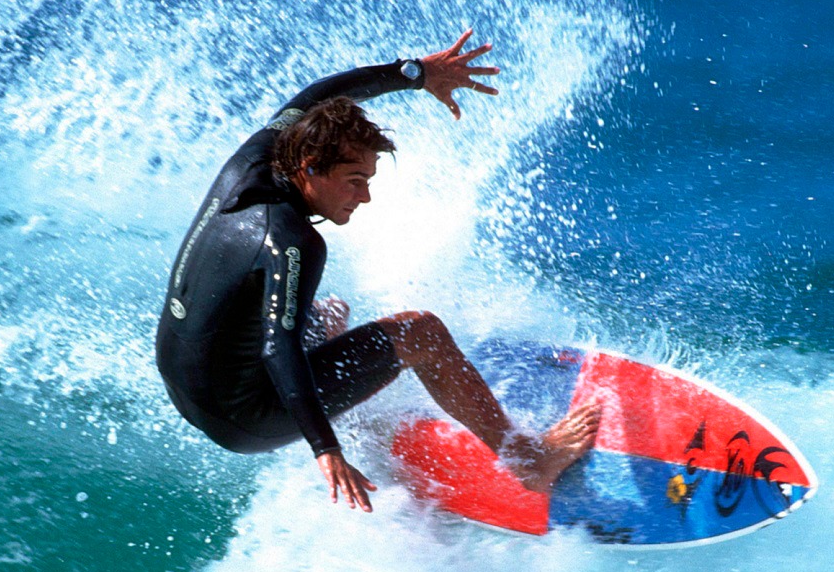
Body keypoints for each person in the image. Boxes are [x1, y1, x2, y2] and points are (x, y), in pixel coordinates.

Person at [155, 31, 599, 512]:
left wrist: (416, 73)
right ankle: (529, 460)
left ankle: (339, 398)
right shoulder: (294, 242)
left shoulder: (255, 159)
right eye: (354, 181)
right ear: (309, 167)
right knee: (420, 333)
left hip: (184, 379)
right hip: (244, 416)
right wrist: (326, 449)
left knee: (330, 314)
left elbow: (317, 96)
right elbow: (278, 346)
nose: (363, 196)